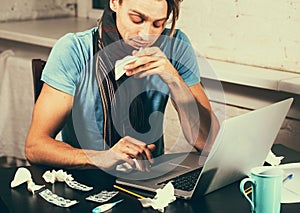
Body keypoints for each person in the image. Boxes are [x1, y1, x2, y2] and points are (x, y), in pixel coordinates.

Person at [25, 0, 219, 172]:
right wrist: (102, 158)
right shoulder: (74, 50)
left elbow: (209, 143)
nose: (146, 34)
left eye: (158, 24)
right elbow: (35, 146)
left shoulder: (175, 45)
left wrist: (175, 81)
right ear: (115, 2)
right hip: (86, 177)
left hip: (149, 178)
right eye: (137, 19)